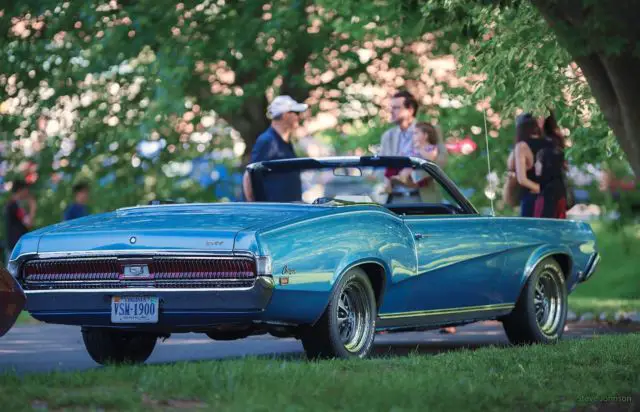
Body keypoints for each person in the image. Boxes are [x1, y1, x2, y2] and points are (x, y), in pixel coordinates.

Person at [242, 95, 308, 202]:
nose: (298, 117)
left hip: (291, 211)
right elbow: (249, 176)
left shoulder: (286, 142)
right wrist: (255, 208)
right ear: (286, 115)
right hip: (275, 213)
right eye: (296, 113)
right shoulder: (267, 141)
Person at [388, 122, 448, 203]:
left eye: (416, 133)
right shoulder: (414, 147)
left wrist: (420, 149)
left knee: (408, 170)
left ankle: (402, 179)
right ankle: (397, 180)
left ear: (425, 135)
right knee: (401, 169)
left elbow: (431, 157)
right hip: (411, 168)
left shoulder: (431, 148)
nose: (413, 136)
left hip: (418, 172)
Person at [508, 113, 552, 217]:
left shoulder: (521, 146)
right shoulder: (550, 143)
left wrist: (540, 189)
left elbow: (521, 178)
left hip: (532, 197)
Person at [4, 180, 36, 263]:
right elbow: (29, 223)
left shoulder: (14, 205)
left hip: (15, 246)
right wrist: (33, 207)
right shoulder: (14, 206)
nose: (27, 192)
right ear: (20, 190)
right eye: (26, 189)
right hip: (16, 248)